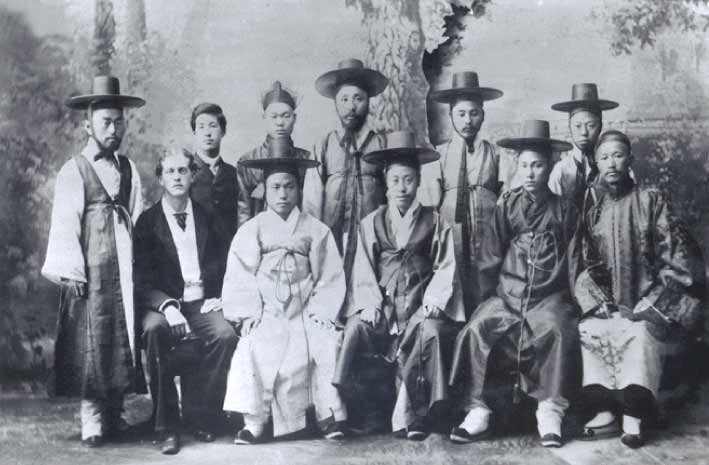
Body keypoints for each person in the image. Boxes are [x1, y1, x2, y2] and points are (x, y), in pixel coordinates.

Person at [570, 130, 705, 449]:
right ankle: (605, 410)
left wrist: (647, 304)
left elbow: (680, 261)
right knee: (589, 329)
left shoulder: (651, 200)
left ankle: (635, 413)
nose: (611, 163)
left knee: (639, 332)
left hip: (650, 303)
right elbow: (587, 265)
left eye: (618, 155)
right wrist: (600, 302)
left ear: (630, 159)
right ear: (597, 164)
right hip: (612, 304)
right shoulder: (595, 211)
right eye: (604, 157)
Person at [448, 120, 579, 448]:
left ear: (549, 166)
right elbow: (490, 255)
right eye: (524, 165)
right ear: (516, 167)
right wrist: (491, 296)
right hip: (507, 293)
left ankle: (550, 410)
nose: (530, 172)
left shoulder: (564, 208)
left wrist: (570, 298)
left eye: (537, 165)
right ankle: (478, 409)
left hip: (550, 295)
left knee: (556, 330)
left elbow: (575, 258)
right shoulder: (507, 205)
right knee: (477, 328)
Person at [333, 131, 465, 439]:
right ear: (385, 183)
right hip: (386, 307)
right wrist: (370, 304)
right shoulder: (371, 222)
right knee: (355, 328)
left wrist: (434, 301)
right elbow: (363, 267)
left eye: (408, 179)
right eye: (395, 181)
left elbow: (446, 266)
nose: (402, 188)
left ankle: (418, 415)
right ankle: (354, 410)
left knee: (429, 332)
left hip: (420, 305)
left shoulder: (435, 221)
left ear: (418, 181)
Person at [41, 76, 145, 447]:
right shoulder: (75, 170)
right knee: (93, 340)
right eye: (106, 122)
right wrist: (73, 271)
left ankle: (115, 412)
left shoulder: (129, 169)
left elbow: (137, 215)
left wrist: (138, 262)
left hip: (124, 267)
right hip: (92, 268)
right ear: (88, 126)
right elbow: (66, 222)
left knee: (121, 338)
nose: (113, 129)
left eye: (119, 122)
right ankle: (93, 420)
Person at [222, 149, 348, 445]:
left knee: (326, 342)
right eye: (276, 187)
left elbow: (329, 276)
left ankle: (327, 416)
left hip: (306, 310)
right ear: (264, 190)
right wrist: (250, 313)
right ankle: (255, 421)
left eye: (290, 186)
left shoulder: (316, 229)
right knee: (252, 345)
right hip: (268, 312)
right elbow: (241, 275)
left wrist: (321, 311)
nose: (283, 194)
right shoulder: (252, 229)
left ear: (299, 189)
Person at [133, 149, 239, 454]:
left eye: (183, 171)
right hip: (164, 306)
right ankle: (167, 425)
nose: (177, 177)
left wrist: (219, 297)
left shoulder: (208, 217)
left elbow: (225, 263)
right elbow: (141, 279)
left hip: (202, 303)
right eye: (170, 172)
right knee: (154, 330)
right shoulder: (147, 223)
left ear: (193, 176)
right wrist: (167, 306)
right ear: (161, 178)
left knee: (225, 335)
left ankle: (202, 416)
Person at [419, 71, 513, 316]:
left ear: (483, 115)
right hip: (452, 232)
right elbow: (431, 203)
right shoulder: (438, 156)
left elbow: (508, 194)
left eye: (474, 113)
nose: (467, 120)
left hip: (488, 231)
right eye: (461, 114)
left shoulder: (496, 154)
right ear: (451, 116)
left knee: (487, 283)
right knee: (455, 283)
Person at [302, 58, 388, 293]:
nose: (351, 106)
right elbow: (311, 200)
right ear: (335, 104)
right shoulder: (324, 144)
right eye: (345, 99)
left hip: (371, 237)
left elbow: (392, 193)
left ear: (368, 102)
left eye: (358, 99)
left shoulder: (381, 143)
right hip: (333, 236)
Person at [236, 81, 310, 227]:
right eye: (274, 116)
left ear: (295, 118)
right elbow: (243, 211)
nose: (280, 122)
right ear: (264, 117)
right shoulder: (247, 161)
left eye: (285, 116)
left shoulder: (306, 159)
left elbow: (311, 206)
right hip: (260, 235)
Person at [548, 83, 619, 211]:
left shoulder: (616, 166)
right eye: (577, 126)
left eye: (591, 125)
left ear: (601, 126)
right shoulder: (561, 171)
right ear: (569, 126)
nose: (584, 132)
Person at [188, 102, 239, 253]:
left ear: (223, 131)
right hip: (196, 257)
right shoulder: (184, 173)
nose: (207, 133)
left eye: (213, 126)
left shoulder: (234, 174)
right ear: (195, 133)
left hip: (230, 258)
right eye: (201, 127)